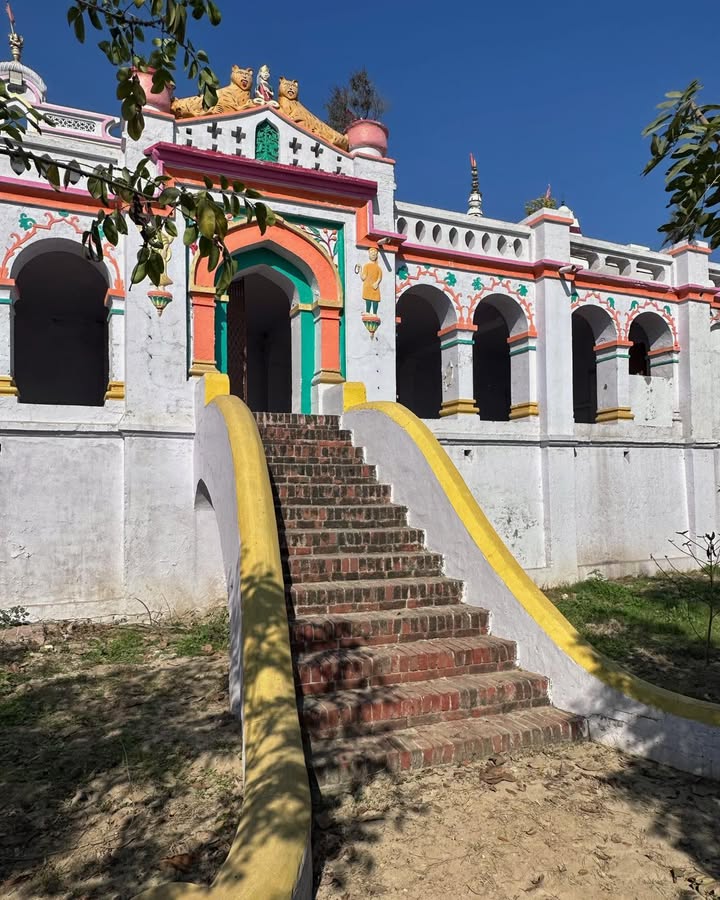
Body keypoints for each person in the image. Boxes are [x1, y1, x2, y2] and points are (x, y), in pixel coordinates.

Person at [358, 247, 382, 314]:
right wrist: (360, 270)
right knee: (368, 299)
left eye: (375, 254)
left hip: (375, 286)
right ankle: (367, 312)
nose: (373, 255)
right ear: (369, 255)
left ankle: (374, 313)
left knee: (375, 299)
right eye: (372, 254)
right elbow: (363, 277)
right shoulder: (366, 266)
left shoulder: (378, 267)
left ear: (377, 255)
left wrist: (377, 283)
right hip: (367, 286)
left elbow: (379, 277)